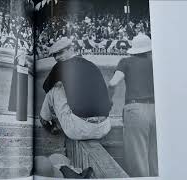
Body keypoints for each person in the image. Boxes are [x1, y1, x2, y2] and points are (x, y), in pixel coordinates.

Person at [39, 37, 112, 141]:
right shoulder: (91, 65)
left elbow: (46, 87)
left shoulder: (60, 66)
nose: (57, 57)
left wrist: (61, 82)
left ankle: (45, 119)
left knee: (54, 89)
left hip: (79, 130)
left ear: (71, 49)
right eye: (54, 55)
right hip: (104, 128)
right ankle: (47, 118)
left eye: (61, 53)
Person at [108, 33, 158, 177]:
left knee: (138, 161)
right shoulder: (155, 62)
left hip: (136, 110)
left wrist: (109, 100)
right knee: (155, 160)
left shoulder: (126, 61)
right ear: (149, 49)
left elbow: (112, 83)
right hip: (156, 110)